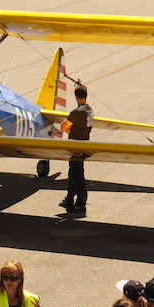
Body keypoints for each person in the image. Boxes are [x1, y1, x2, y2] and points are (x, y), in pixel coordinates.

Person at [57, 85, 93, 213]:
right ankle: (69, 199)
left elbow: (63, 127)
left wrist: (70, 130)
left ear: (76, 96)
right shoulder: (90, 110)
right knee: (74, 172)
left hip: (75, 146)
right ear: (86, 95)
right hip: (85, 144)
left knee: (76, 175)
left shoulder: (77, 112)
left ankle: (81, 202)